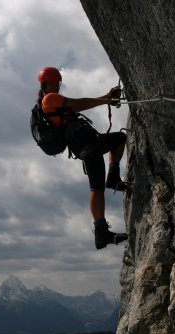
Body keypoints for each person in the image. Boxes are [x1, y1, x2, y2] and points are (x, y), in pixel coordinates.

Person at [37, 67, 128, 249]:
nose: (57, 86)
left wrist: (107, 98)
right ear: (45, 84)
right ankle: (100, 231)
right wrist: (106, 99)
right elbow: (80, 104)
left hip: (89, 142)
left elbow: (78, 105)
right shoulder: (49, 99)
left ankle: (113, 177)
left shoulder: (51, 99)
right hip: (85, 146)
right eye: (54, 83)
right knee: (96, 186)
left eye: (58, 83)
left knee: (119, 139)